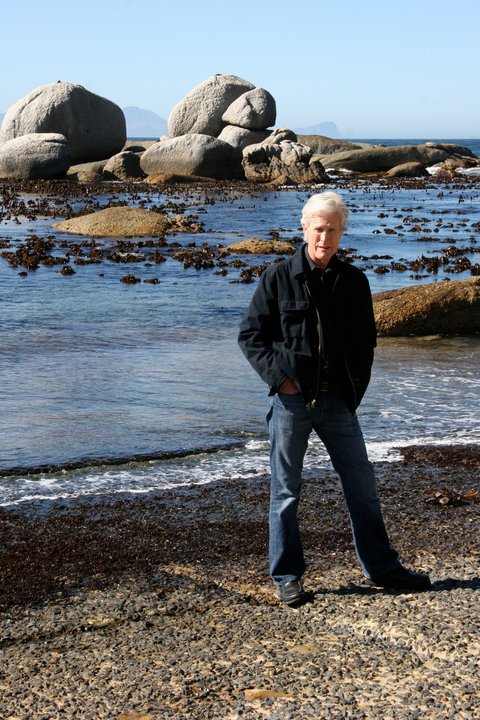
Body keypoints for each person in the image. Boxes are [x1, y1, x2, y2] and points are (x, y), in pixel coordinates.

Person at [238, 191, 431, 607]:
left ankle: (382, 568)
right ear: (304, 228)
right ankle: (288, 575)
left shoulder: (354, 281)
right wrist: (283, 381)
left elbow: (365, 343)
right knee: (286, 493)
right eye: (319, 229)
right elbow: (251, 337)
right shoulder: (278, 277)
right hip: (291, 404)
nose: (325, 237)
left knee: (362, 486)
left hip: (338, 402)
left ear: (342, 233)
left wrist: (353, 390)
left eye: (333, 230)